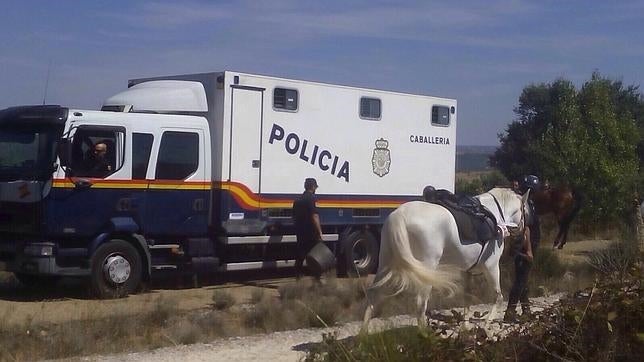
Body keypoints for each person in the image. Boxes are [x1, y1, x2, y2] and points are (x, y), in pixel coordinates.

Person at [504, 174, 541, 322]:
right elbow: (526, 229)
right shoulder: (524, 205)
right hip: (524, 248)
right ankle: (510, 312)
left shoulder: (526, 202)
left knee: (523, 279)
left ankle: (526, 309)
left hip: (523, 247)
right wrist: (529, 250)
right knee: (520, 280)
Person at [292, 178, 323, 279]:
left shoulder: (297, 200)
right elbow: (315, 216)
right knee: (315, 256)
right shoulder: (312, 199)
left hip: (300, 232)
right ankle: (317, 279)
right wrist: (319, 232)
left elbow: (294, 217)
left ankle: (298, 278)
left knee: (300, 256)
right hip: (311, 233)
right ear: (313, 187)